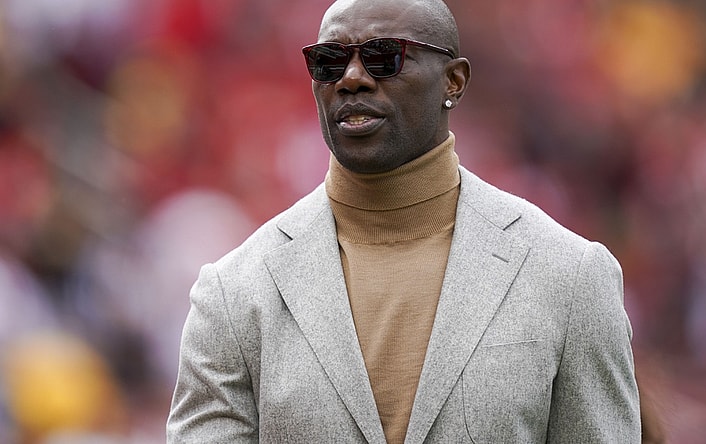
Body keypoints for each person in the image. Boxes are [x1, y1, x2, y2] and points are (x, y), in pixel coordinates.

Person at [166, 0, 642, 442]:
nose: (351, 78)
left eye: (384, 56)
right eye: (329, 61)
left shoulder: (570, 275)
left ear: (453, 81)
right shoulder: (233, 293)